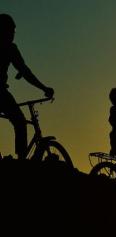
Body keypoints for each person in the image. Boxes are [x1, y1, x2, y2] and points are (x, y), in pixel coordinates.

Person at [0, 14, 54, 159]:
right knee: (19, 121)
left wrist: (22, 72)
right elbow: (26, 72)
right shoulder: (10, 48)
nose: (12, 35)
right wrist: (44, 88)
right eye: (11, 31)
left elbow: (23, 71)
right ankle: (22, 161)